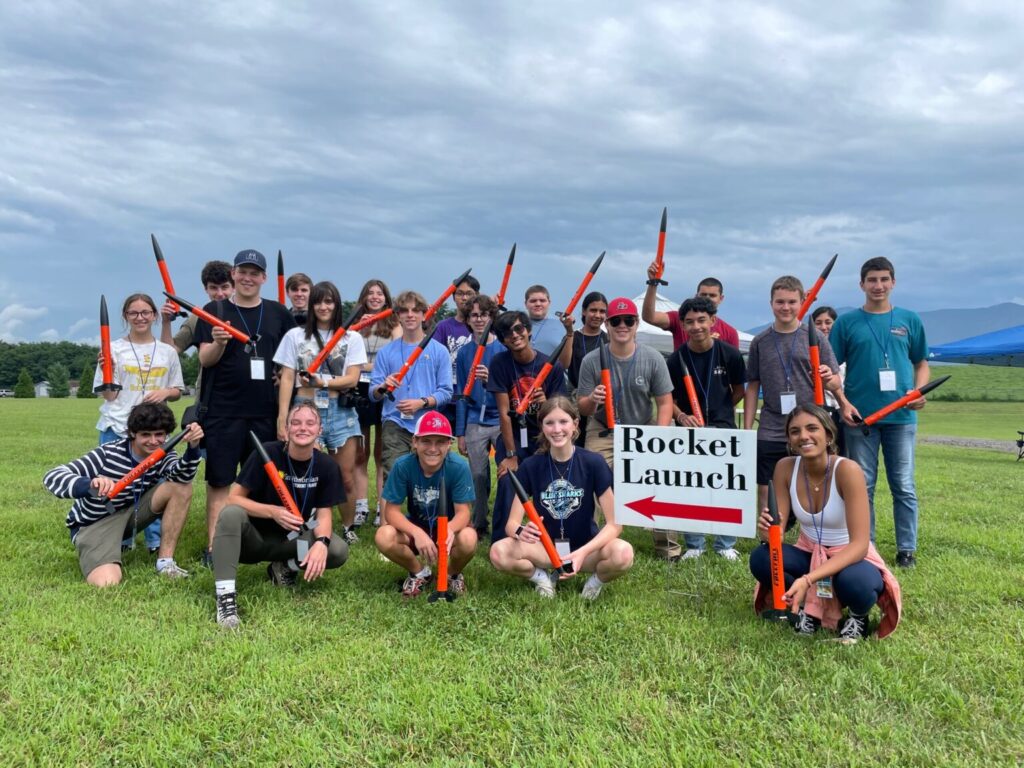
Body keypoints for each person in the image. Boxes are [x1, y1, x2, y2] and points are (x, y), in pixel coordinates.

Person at [750, 405, 902, 641]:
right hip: (810, 552)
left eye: (812, 428)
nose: (804, 436)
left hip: (849, 556)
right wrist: (767, 532)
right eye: (795, 431)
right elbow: (775, 535)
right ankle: (804, 608)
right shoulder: (785, 468)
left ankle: (857, 615)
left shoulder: (848, 470)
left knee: (856, 582)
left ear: (828, 435)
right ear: (789, 439)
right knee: (761, 558)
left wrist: (808, 578)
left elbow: (860, 545)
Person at [194, 249, 296, 566]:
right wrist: (220, 342)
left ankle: (264, 544)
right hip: (224, 412)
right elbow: (204, 359)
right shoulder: (214, 309)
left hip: (265, 413)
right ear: (234, 275)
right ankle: (215, 547)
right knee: (220, 481)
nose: (248, 278)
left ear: (264, 278)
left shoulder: (279, 314)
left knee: (265, 481)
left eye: (255, 273)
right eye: (243, 272)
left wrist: (284, 412)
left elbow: (291, 361)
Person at [829, 257, 930, 568]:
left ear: (893, 283)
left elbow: (921, 363)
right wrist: (843, 402)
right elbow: (831, 369)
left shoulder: (909, 320)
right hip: (861, 420)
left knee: (904, 485)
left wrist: (918, 392)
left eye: (884, 279)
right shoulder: (847, 323)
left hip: (901, 419)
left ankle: (906, 551)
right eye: (872, 280)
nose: (878, 286)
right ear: (861, 284)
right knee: (863, 486)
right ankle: (865, 547)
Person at [211, 403, 349, 628]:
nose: (302, 428)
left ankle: (284, 567)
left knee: (336, 549)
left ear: (319, 430)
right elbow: (232, 498)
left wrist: (322, 543)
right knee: (231, 514)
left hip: (293, 541)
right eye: (296, 423)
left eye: (310, 423)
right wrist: (272, 512)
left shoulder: (326, 466)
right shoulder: (267, 453)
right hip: (252, 541)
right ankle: (226, 599)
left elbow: (324, 515)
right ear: (286, 428)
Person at [43, 402, 203, 587]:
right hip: (95, 523)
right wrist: (89, 484)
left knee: (181, 487)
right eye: (146, 435)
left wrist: (193, 448)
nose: (153, 441)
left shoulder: (164, 453)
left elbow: (181, 476)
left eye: (159, 434)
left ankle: (165, 563)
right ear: (133, 433)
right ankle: (103, 552)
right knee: (107, 583)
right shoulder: (108, 453)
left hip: (130, 513)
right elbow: (52, 477)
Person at [489, 397, 634, 600]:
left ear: (575, 424)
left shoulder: (594, 462)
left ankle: (595, 582)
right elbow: (511, 524)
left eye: (563, 422)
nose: (557, 430)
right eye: (550, 423)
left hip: (585, 549)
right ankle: (542, 578)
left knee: (624, 553)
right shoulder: (531, 465)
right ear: (542, 427)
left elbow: (614, 525)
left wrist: (582, 553)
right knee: (498, 552)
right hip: (545, 551)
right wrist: (521, 531)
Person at [744, 276, 848, 514]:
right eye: (780, 302)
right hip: (772, 426)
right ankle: (769, 535)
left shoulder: (815, 337)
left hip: (808, 426)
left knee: (813, 481)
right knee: (766, 484)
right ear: (771, 303)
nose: (786, 307)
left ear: (802, 302)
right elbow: (752, 386)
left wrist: (827, 377)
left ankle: (811, 532)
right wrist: (748, 428)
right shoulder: (760, 341)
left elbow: (835, 380)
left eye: (792, 302)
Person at [274, 281, 366, 544]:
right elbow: (289, 377)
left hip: (340, 412)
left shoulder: (352, 338)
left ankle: (347, 527)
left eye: (329, 302)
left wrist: (321, 381)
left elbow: (352, 379)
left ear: (337, 305)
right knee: (304, 475)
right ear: (311, 305)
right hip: (305, 408)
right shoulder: (295, 335)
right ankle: (305, 526)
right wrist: (283, 417)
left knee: (345, 476)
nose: (324, 307)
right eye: (318, 301)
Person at [95, 293, 186, 553]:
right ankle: (120, 539)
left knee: (156, 485)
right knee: (117, 485)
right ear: (125, 317)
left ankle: (154, 541)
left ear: (154, 315)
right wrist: (106, 370)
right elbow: (110, 395)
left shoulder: (167, 351)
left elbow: (178, 389)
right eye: (133, 313)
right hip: (118, 427)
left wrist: (165, 393)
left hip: (155, 431)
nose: (140, 318)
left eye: (145, 312)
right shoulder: (111, 349)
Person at [666, 296, 746, 560]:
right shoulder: (676, 359)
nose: (696, 326)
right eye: (689, 322)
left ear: (713, 321)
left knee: (726, 488)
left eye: (702, 320)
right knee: (692, 488)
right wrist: (681, 417)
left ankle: (725, 543)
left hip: (723, 429)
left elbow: (738, 391)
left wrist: (720, 411)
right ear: (682, 325)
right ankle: (695, 544)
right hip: (690, 432)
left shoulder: (730, 354)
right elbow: (670, 400)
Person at [374, 411, 478, 598]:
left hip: (448, 528)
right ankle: (420, 572)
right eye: (426, 441)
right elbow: (391, 512)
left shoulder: (459, 466)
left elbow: (463, 512)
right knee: (384, 535)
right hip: (417, 525)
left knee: (469, 538)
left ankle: (451, 574)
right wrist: (417, 533)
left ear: (449, 444)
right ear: (415, 442)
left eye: (440, 442)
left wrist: (449, 530)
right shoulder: (402, 465)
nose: (433, 448)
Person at [486, 310, 567, 541]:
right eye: (507, 333)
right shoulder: (499, 363)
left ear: (528, 331)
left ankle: (552, 536)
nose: (514, 335)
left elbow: (559, 414)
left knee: (552, 485)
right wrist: (510, 455)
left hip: (544, 436)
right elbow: (504, 412)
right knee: (507, 478)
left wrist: (545, 404)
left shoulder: (551, 367)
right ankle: (501, 541)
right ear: (501, 340)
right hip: (513, 435)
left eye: (519, 329)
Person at [576, 296, 673, 465]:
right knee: (597, 476)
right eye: (615, 321)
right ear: (606, 325)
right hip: (603, 429)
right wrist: (592, 399)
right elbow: (583, 408)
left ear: (636, 323)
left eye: (628, 321)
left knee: (645, 479)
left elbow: (665, 402)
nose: (622, 326)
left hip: (643, 427)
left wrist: (660, 434)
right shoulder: (590, 360)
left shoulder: (653, 358)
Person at [369, 290, 453, 484]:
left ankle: (425, 514)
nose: (410, 315)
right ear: (398, 315)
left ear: (424, 315)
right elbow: (373, 394)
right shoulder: (386, 352)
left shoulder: (439, 351)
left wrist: (421, 403)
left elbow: (446, 392)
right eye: (404, 311)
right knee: (392, 476)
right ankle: (389, 515)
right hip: (395, 423)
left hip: (428, 423)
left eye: (416, 310)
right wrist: (383, 387)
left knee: (429, 476)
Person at [352, 279, 402, 526]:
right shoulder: (354, 323)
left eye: (379, 293)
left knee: (382, 451)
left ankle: (383, 508)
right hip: (358, 389)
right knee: (360, 452)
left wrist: (366, 366)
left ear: (386, 298)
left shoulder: (394, 324)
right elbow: (344, 352)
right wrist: (355, 330)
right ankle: (361, 506)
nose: (374, 297)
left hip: (384, 388)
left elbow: (396, 357)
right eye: (369, 293)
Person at [454, 294, 503, 539]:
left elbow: (509, 389)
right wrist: (460, 432)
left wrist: (490, 380)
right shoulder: (464, 354)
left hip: (499, 418)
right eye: (474, 315)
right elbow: (461, 393)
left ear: (491, 317)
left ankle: (503, 522)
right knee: (477, 473)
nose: (479, 319)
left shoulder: (502, 349)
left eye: (484, 314)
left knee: (505, 470)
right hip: (475, 417)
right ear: (468, 320)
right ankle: (479, 521)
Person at [642, 268, 741, 350]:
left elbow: (732, 365)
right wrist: (653, 283)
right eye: (703, 294)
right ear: (696, 295)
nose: (707, 298)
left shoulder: (730, 333)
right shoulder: (680, 318)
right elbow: (650, 317)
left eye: (712, 295)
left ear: (721, 298)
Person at [567, 292, 608, 445]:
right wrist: (569, 333)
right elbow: (564, 363)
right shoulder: (573, 336)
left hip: (601, 402)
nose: (597, 315)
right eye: (593, 310)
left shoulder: (608, 339)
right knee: (574, 443)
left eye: (602, 311)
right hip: (574, 398)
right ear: (584, 311)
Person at [523, 284, 573, 368]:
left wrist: (569, 331)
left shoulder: (563, 326)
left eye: (542, 300)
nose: (538, 304)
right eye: (533, 301)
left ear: (549, 303)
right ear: (526, 304)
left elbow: (565, 364)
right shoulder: (518, 327)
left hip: (552, 378)